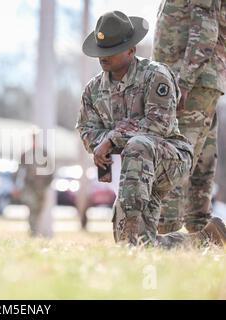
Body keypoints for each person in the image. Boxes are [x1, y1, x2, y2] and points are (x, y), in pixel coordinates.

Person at [76, 11, 226, 247]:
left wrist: (112, 139)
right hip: (131, 169)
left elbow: (159, 124)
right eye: (101, 51)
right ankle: (205, 240)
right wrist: (100, 145)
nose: (104, 58)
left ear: (131, 50)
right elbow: (86, 128)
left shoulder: (156, 75)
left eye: (111, 51)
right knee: (134, 244)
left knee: (139, 144)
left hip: (170, 160)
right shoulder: (93, 90)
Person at [153, 0, 225, 233]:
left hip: (191, 82)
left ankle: (168, 234)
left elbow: (206, 28)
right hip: (199, 81)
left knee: (176, 156)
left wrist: (183, 82)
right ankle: (201, 233)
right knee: (200, 159)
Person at [16, 132, 54, 237]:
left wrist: (46, 184)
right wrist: (17, 186)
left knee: (39, 210)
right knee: (32, 208)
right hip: (30, 187)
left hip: (41, 188)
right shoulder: (25, 154)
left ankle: (36, 231)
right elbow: (20, 171)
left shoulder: (44, 153)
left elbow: (51, 171)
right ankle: (33, 232)